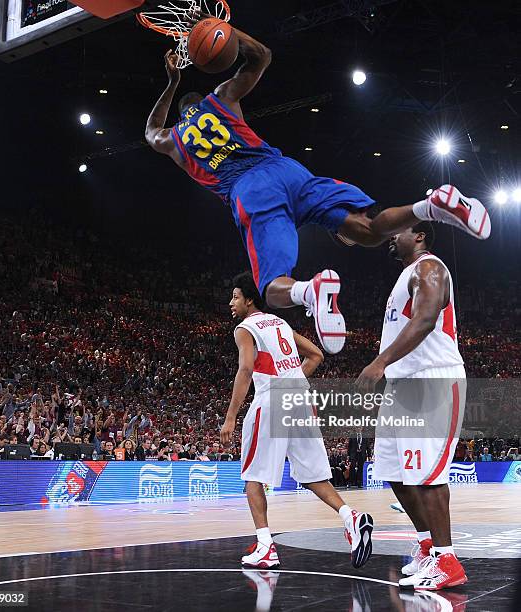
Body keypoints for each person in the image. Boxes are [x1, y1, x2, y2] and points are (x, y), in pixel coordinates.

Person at [145, 19, 491, 355]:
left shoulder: (172, 138)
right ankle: (431, 206)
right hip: (286, 170)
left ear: (180, 113)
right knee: (368, 232)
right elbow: (262, 55)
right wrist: (226, 32)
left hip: (249, 188)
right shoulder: (220, 97)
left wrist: (171, 81)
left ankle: (311, 291)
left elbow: (150, 131)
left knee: (271, 287)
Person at [220, 272, 373, 569]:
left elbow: (246, 369)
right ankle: (350, 517)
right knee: (313, 475)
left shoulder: (245, 327)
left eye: (236, 296)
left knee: (253, 476)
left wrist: (230, 418)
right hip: (300, 400)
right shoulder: (280, 323)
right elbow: (316, 355)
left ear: (250, 300)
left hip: (273, 399)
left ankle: (265, 545)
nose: (231, 302)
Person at [357, 222, 467, 591]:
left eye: (399, 230)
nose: (392, 236)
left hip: (432, 379)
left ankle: (448, 561)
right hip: (403, 383)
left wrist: (380, 361)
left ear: (419, 235)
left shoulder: (430, 267)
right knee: (394, 471)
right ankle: (427, 547)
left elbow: (425, 318)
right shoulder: (405, 276)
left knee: (429, 476)